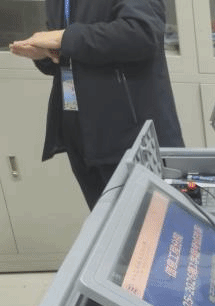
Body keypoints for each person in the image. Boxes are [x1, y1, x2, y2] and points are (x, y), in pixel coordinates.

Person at [9, 0, 184, 210]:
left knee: (153, 224)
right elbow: (72, 50)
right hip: (81, 135)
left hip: (131, 137)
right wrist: (45, 52)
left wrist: (64, 38)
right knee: (108, 224)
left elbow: (142, 32)